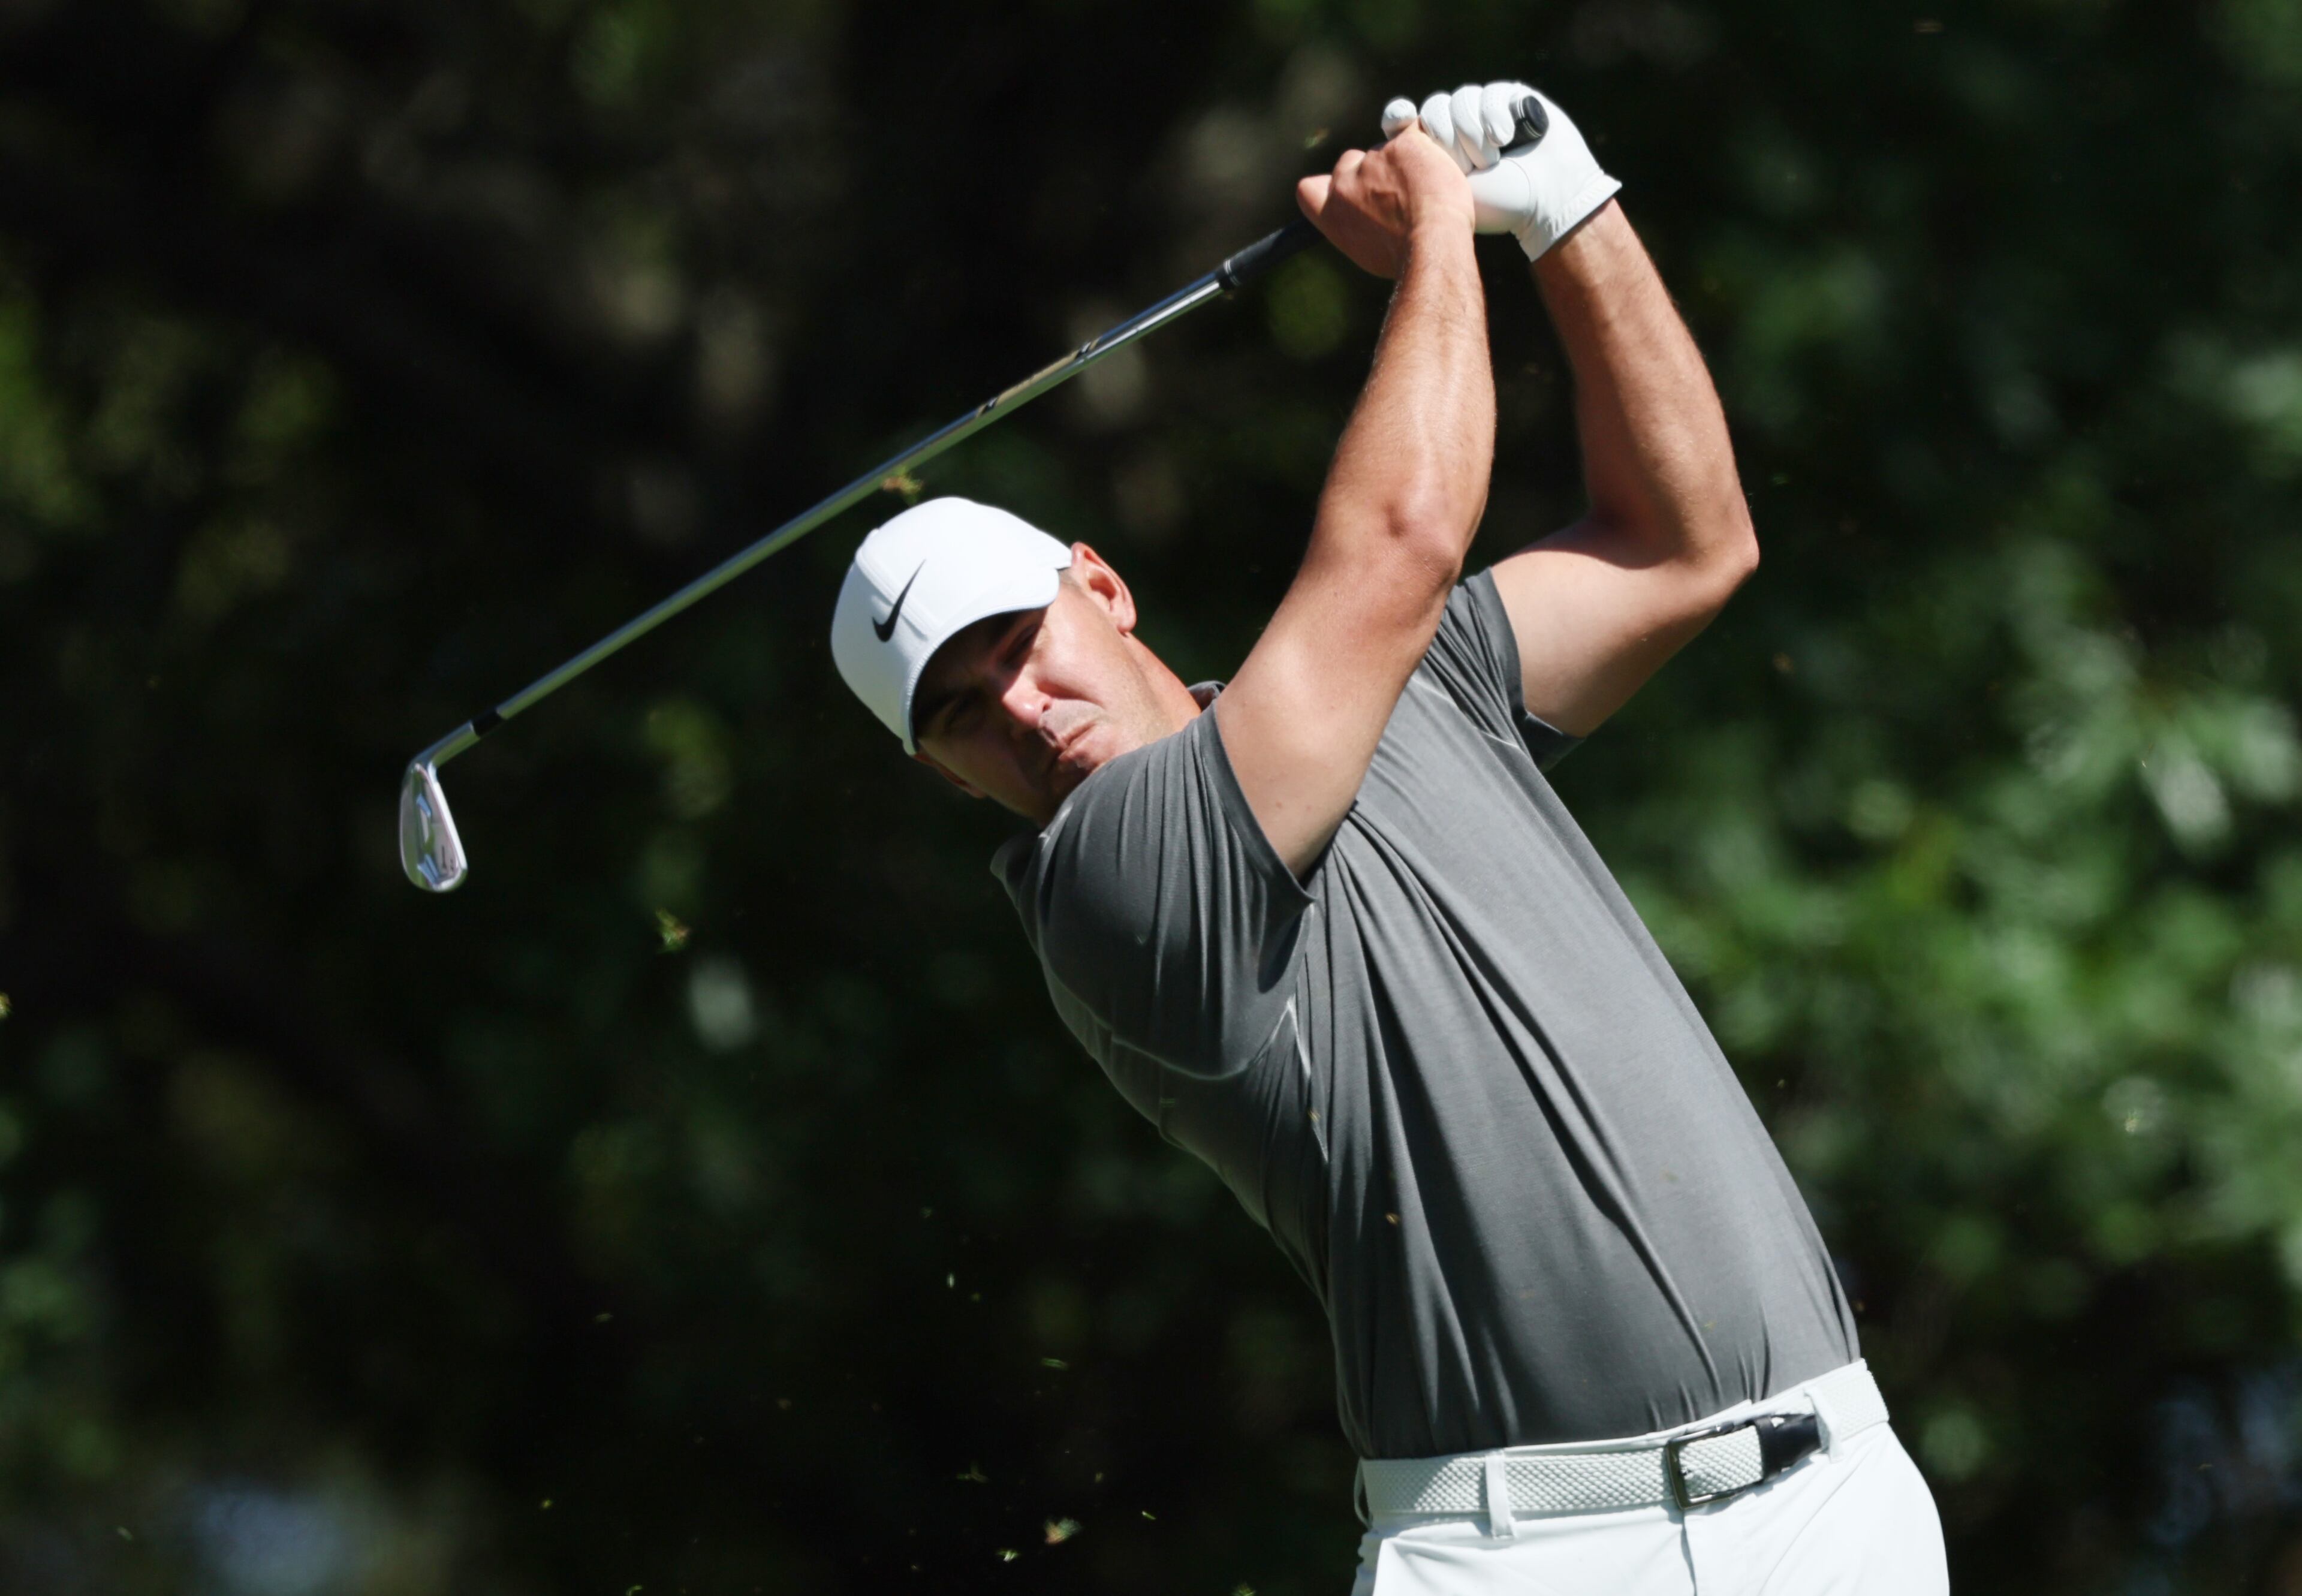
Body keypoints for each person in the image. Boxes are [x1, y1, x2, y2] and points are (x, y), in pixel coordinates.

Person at [828, 80, 1948, 1595]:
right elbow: (1404, 540)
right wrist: (1440, 227)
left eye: (1018, 641)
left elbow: (1687, 543)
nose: (1019, 707)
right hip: (1526, 1553)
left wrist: (1568, 211)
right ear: (947, 776)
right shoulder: (1110, 885)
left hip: (1831, 1502)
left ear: (1100, 584)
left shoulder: (1403, 684)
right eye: (958, 712)